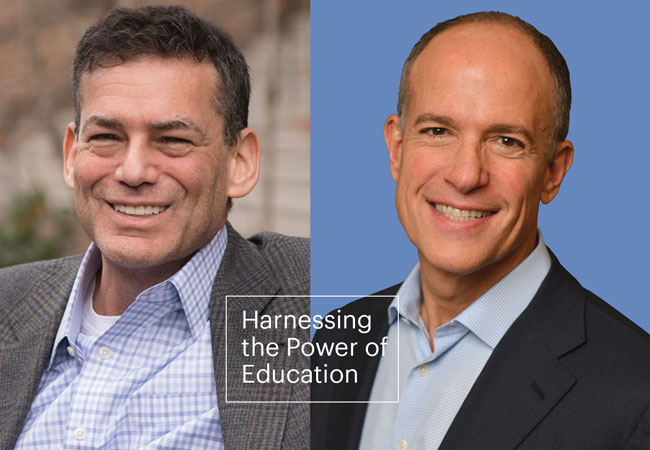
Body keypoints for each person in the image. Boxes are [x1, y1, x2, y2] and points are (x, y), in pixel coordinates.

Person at [311, 11, 650, 450]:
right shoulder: (338, 335)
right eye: (437, 130)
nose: (466, 175)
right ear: (397, 149)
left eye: (506, 141)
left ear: (553, 171)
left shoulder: (635, 394)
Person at [0, 5, 309, 449]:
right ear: (72, 154)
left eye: (173, 140)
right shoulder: (9, 305)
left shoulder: (318, 299)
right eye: (106, 136)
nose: (133, 170)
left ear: (240, 163)